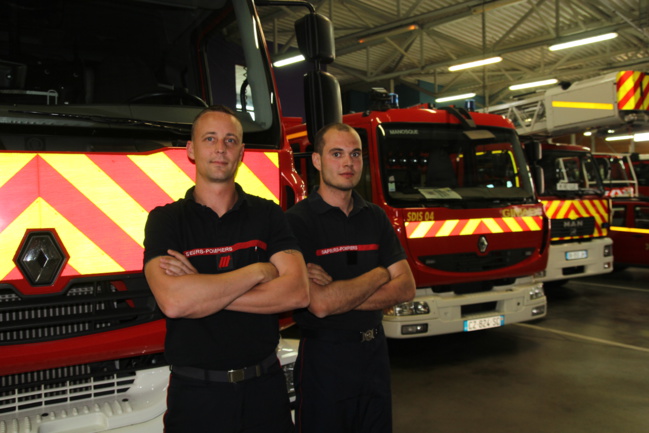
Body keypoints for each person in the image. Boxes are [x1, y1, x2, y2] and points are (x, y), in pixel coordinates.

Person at [143, 105, 309, 433]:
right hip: (196, 398)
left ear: (242, 152)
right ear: (191, 150)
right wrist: (258, 271)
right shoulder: (165, 221)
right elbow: (174, 303)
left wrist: (201, 289)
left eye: (231, 140)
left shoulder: (269, 214)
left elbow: (298, 292)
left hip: (265, 392)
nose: (221, 148)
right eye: (210, 139)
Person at [285, 122, 416, 433]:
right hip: (325, 359)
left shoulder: (375, 217)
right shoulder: (295, 222)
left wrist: (338, 295)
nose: (348, 163)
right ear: (316, 161)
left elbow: (407, 287)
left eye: (355, 154)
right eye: (337, 154)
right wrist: (381, 273)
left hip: (375, 355)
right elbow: (319, 305)